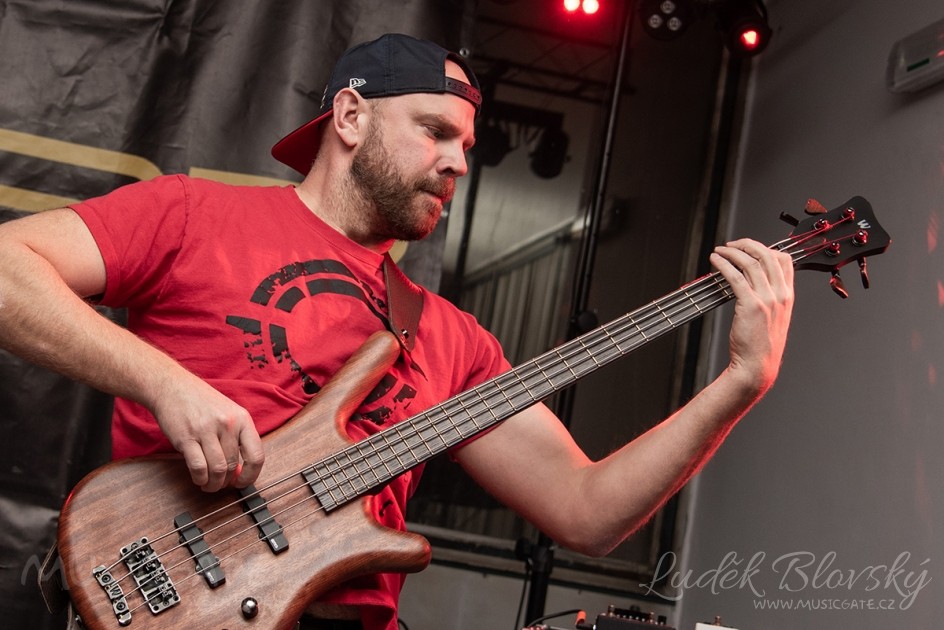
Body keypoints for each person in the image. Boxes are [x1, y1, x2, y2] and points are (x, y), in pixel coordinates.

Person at [0, 33, 793, 630]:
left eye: (467, 147)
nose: (459, 163)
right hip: (174, 594)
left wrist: (739, 384)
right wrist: (166, 384)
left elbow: (587, 511)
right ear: (350, 116)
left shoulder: (451, 339)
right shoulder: (194, 214)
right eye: (434, 131)